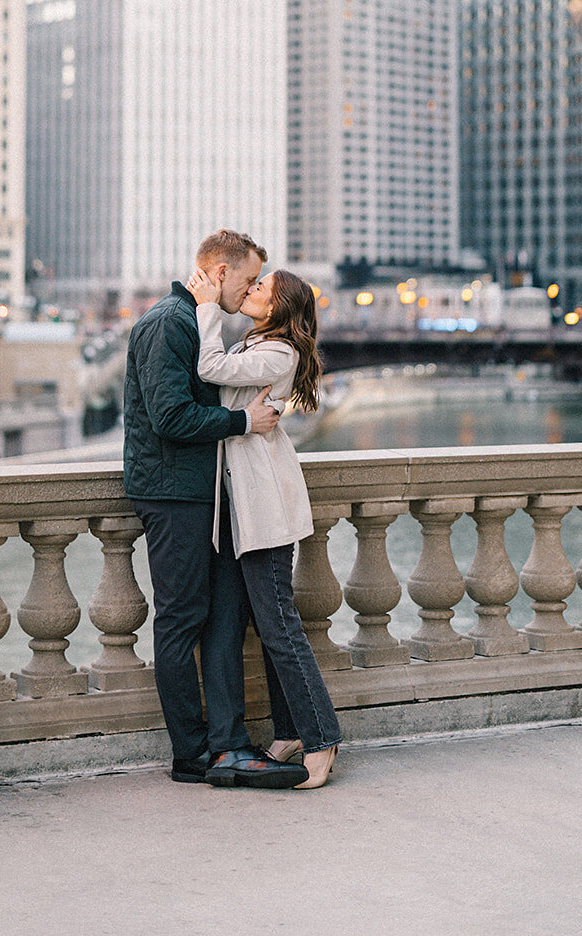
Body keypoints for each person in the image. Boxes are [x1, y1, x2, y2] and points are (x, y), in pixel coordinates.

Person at [123, 230, 309, 788]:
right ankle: (193, 754)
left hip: (212, 496)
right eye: (248, 279)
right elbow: (170, 418)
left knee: (225, 618)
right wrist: (243, 422)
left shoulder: (197, 323)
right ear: (219, 272)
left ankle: (229, 743)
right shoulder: (167, 323)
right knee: (182, 619)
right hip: (172, 492)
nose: (251, 289)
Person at [186, 263, 342, 790]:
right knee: (269, 625)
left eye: (260, 287)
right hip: (248, 504)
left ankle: (322, 738)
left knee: (280, 628)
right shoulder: (259, 343)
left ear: (278, 307)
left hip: (266, 507)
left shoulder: (278, 351)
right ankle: (290, 731)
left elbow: (209, 368)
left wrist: (207, 305)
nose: (251, 290)